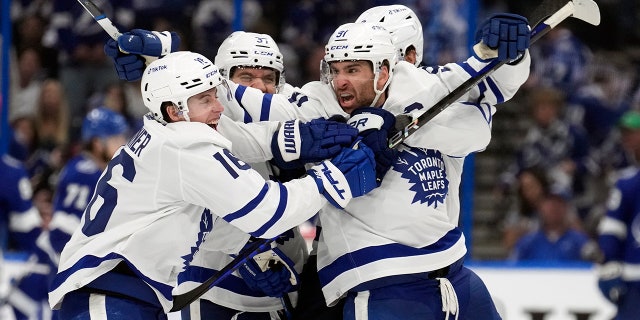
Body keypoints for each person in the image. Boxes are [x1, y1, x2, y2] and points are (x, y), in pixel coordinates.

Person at [108, 12, 531, 319]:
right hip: (374, 280)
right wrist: (160, 62)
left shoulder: (426, 90)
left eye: (356, 69)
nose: (342, 81)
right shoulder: (309, 105)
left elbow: (481, 113)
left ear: (389, 68)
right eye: (337, 70)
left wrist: (504, 54)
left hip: (452, 272)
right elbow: (228, 105)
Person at [48, 50, 378, 319]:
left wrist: (254, 254)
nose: (219, 108)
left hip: (113, 296)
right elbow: (269, 211)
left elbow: (205, 221)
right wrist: (332, 179)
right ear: (173, 110)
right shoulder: (187, 147)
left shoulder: (160, 139)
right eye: (205, 100)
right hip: (111, 299)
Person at [179, 31, 310, 320]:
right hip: (212, 286)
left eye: (268, 78)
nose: (259, 88)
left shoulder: (290, 122)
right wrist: (247, 253)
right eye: (246, 77)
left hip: (278, 291)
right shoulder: (199, 129)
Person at [596, 110, 640, 319]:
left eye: (632, 133)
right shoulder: (627, 181)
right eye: (625, 133)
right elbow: (612, 227)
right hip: (634, 279)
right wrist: (610, 261)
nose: (626, 138)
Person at [509, 192, 589, 262]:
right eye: (549, 204)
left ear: (566, 208)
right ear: (541, 208)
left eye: (559, 203)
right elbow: (512, 268)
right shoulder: (528, 241)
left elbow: (595, 264)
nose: (554, 208)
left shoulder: (579, 240)